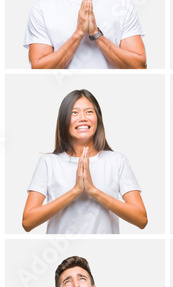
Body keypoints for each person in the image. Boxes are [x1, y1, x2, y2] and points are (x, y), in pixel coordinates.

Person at [22, 89, 147, 233]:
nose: (82, 118)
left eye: (89, 112)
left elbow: (141, 219)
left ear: (98, 118)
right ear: (64, 119)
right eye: (74, 112)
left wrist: (93, 191)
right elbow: (28, 222)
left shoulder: (117, 161)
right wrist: (75, 191)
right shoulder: (48, 162)